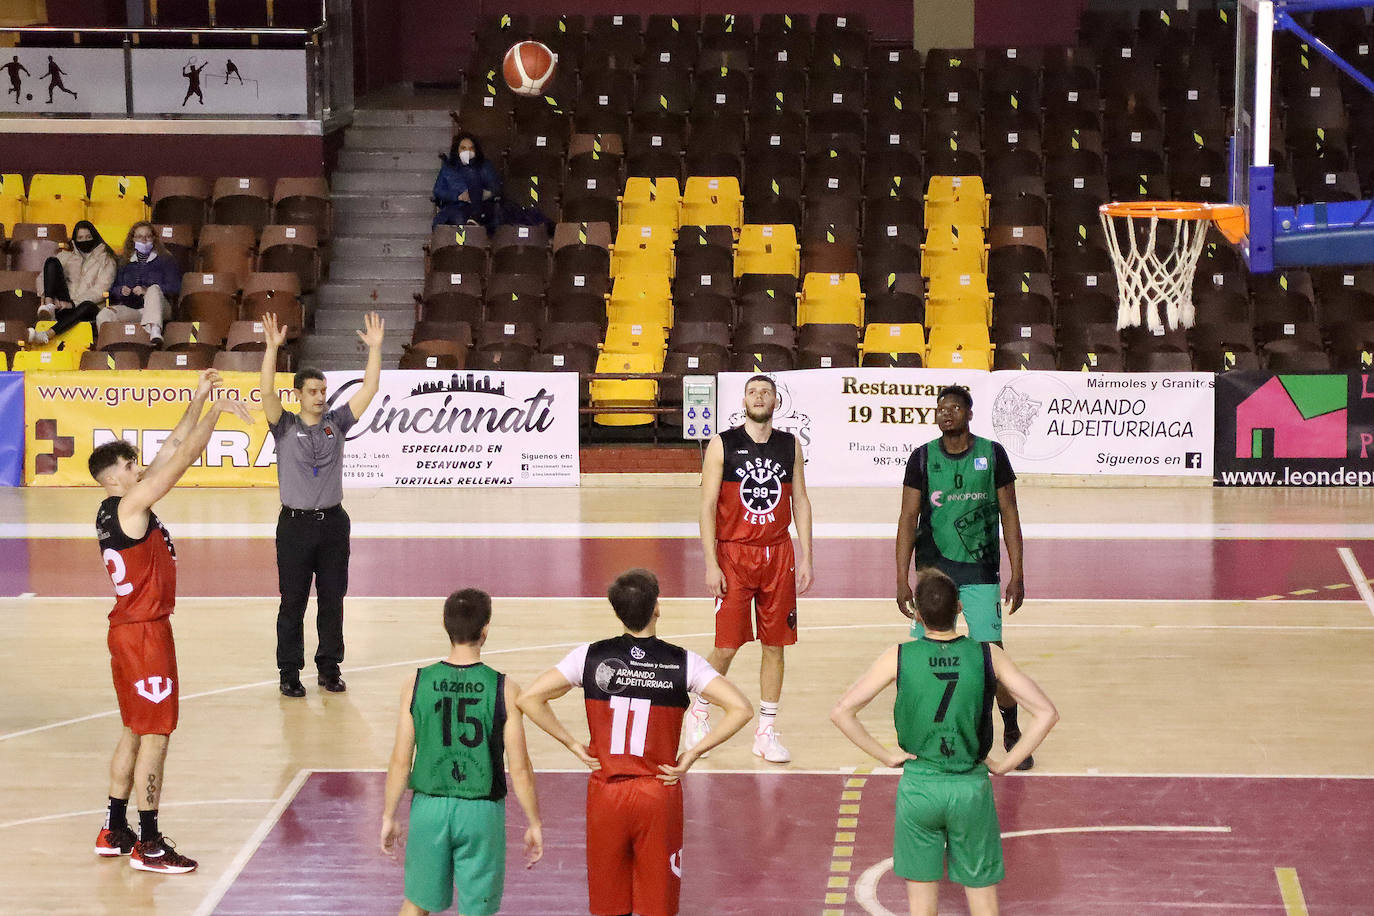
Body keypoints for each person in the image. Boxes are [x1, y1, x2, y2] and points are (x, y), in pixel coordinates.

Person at [89, 369, 254, 874]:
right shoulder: (132, 503)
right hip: (145, 633)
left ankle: (115, 829)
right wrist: (219, 413)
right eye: (130, 463)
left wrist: (199, 397)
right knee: (157, 735)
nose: (140, 466)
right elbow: (180, 460)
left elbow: (172, 444)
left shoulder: (113, 505)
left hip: (126, 630)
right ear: (115, 476)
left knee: (134, 730)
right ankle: (151, 843)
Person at [518, 569, 753, 916]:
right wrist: (692, 754)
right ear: (657, 607)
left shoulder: (590, 657)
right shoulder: (683, 662)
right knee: (658, 905)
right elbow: (741, 709)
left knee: (609, 904)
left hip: (606, 793)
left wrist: (571, 744)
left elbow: (529, 699)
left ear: (616, 612)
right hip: (657, 793)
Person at [831, 568, 1058, 916]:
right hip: (970, 790)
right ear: (961, 608)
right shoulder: (987, 655)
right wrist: (1005, 764)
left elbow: (842, 712)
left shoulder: (900, 656)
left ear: (918, 616)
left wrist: (886, 756)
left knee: (922, 908)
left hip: (920, 788)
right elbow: (1046, 712)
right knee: (982, 900)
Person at [380, 588, 543, 916]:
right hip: (481, 811)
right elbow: (520, 766)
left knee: (416, 904)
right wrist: (534, 821)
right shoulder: (504, 688)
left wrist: (388, 815)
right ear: (485, 631)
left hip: (429, 807)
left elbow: (401, 760)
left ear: (446, 627)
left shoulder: (416, 682)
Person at [895, 384, 1033, 769]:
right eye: (941, 408)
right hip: (933, 574)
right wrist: (901, 578)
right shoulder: (922, 458)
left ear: (969, 414)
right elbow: (908, 518)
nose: (946, 413)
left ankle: (1010, 728)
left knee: (993, 657)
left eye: (955, 407)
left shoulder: (992, 454)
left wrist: (1017, 573)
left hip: (980, 571)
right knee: (923, 659)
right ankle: (921, 735)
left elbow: (1010, 515)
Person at [690, 374, 813, 763]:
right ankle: (698, 711)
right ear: (743, 400)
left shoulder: (788, 444)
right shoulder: (722, 444)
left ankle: (765, 731)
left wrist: (807, 554)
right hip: (733, 555)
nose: (759, 397)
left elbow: (802, 501)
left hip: (777, 555)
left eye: (766, 393)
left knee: (775, 646)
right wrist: (711, 562)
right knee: (727, 645)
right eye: (752, 392)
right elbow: (707, 506)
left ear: (777, 401)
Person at [260, 310, 384, 698]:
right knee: (292, 601)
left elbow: (370, 388)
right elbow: (265, 392)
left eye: (323, 390)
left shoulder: (338, 423)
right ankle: (288, 672)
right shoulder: (284, 426)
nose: (320, 396)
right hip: (294, 527)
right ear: (298, 394)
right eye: (312, 391)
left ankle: (329, 668)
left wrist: (375, 351)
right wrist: (271, 350)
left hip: (333, 524)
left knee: (333, 599)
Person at [28, 220, 117, 346]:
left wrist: (72, 304)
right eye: (80, 238)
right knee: (51, 262)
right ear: (75, 240)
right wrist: (53, 299)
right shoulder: (65, 256)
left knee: (87, 305)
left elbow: (100, 290)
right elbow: (42, 278)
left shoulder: (107, 259)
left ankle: (46, 334)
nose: (84, 240)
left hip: (87, 308)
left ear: (95, 237)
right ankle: (49, 307)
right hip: (61, 305)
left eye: (88, 237)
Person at [108, 221, 179, 346]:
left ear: (154, 238)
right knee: (105, 315)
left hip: (160, 308)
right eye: (140, 237)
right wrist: (121, 290)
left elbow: (175, 286)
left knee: (154, 289)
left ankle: (155, 330)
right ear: (133, 239)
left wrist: (147, 291)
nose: (144, 240)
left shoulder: (166, 259)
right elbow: (113, 288)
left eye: (148, 236)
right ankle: (109, 346)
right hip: (133, 309)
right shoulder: (124, 261)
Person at [432, 132, 502, 230]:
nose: (468, 151)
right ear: (457, 150)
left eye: (471, 148)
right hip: (455, 206)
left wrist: (480, 194)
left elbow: (495, 187)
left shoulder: (484, 166)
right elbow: (438, 190)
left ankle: (474, 221)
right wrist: (458, 196)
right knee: (458, 217)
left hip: (481, 207)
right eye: (463, 148)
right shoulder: (448, 168)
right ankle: (461, 243)